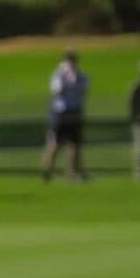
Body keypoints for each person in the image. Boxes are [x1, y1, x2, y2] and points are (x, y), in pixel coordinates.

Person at [42, 50, 89, 182]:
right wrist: (67, 80)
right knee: (55, 143)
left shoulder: (81, 76)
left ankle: (72, 172)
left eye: (74, 60)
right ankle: (47, 170)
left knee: (74, 144)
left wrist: (75, 81)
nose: (72, 62)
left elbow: (84, 91)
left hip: (74, 111)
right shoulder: (58, 75)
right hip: (60, 112)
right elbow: (56, 91)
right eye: (70, 60)